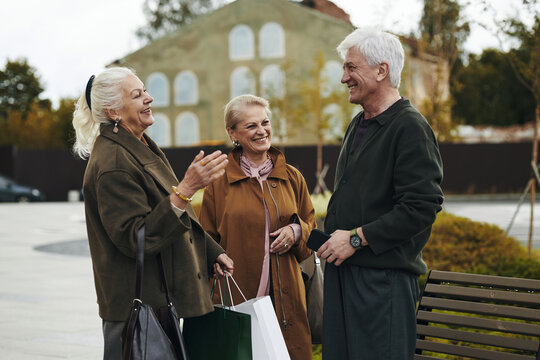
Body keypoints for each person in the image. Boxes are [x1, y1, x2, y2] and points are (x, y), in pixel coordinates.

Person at [72, 66, 234, 360]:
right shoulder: (113, 163)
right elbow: (137, 238)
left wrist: (211, 251)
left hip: (158, 300)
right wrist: (186, 189)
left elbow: (168, 207)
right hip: (137, 310)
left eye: (145, 90)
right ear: (114, 112)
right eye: (137, 95)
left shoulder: (138, 144)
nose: (149, 98)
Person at [317, 28, 444, 360]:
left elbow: (421, 207)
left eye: (351, 67)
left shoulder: (410, 128)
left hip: (382, 286)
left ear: (381, 70)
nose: (344, 77)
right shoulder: (357, 124)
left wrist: (357, 238)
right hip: (344, 278)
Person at [198, 94, 316, 360]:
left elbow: (312, 230)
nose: (262, 131)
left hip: (288, 305)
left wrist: (296, 232)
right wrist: (213, 257)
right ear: (233, 133)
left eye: (265, 122)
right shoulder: (218, 183)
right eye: (251, 126)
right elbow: (204, 237)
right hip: (237, 298)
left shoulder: (292, 177)